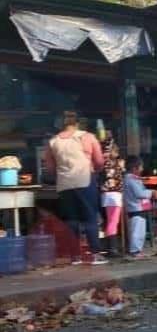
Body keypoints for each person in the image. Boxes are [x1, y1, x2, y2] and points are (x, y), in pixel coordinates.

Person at [44, 111, 108, 265]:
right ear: (78, 123)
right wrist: (95, 168)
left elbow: (50, 168)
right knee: (90, 217)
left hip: (65, 184)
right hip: (85, 180)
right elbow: (99, 161)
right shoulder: (88, 137)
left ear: (61, 124)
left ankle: (75, 257)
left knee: (71, 220)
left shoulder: (53, 141)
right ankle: (96, 255)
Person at [124, 156, 154, 258]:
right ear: (134, 168)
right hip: (135, 208)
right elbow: (139, 193)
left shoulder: (133, 179)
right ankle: (135, 251)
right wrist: (152, 192)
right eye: (140, 167)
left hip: (139, 208)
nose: (142, 169)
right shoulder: (130, 179)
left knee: (140, 230)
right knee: (137, 231)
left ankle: (138, 250)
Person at [100, 133, 124, 257]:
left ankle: (110, 247)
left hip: (106, 195)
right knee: (113, 222)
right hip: (115, 196)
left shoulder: (103, 163)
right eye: (117, 150)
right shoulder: (117, 163)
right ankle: (112, 249)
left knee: (109, 221)